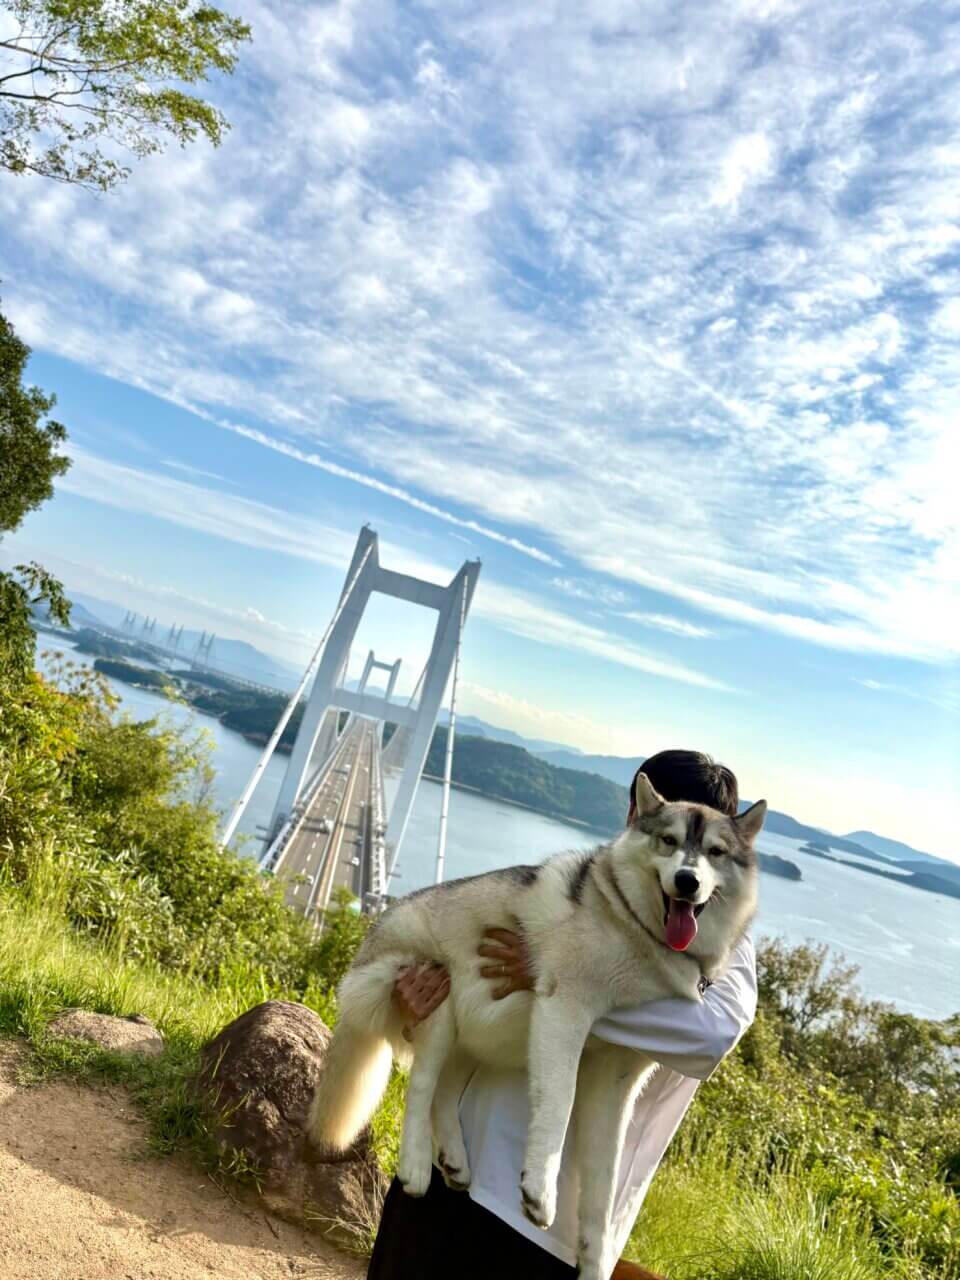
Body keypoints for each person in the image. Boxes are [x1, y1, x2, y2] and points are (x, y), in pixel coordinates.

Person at [366, 750, 759, 1280]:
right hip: (450, 1164)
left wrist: (564, 982)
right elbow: (472, 989)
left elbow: (711, 1038)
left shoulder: (726, 945)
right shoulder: (588, 892)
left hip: (545, 1228)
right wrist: (412, 1007)